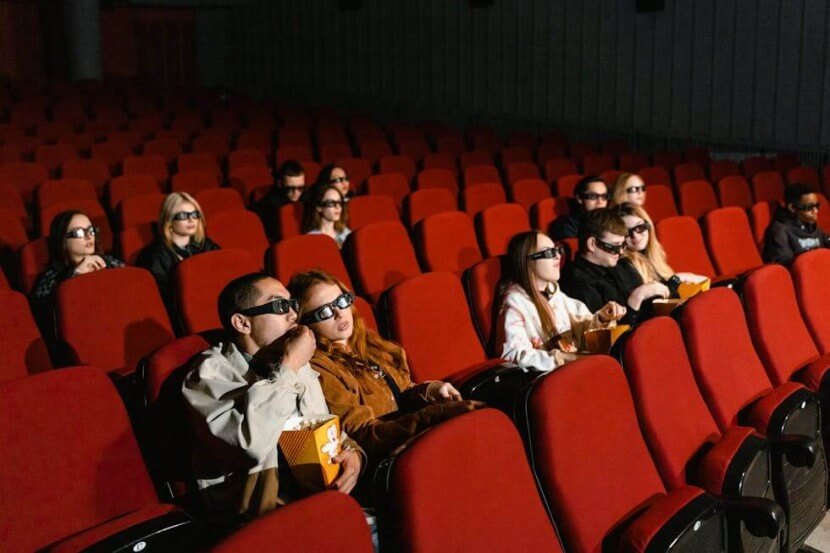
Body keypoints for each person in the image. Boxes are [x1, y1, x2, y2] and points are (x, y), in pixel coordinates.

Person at [182, 273, 364, 523]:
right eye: (280, 306)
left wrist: (352, 453)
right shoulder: (208, 375)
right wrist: (289, 368)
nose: (293, 315)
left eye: (292, 305)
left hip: (319, 503)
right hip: (262, 523)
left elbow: (316, 424)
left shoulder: (289, 358)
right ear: (242, 323)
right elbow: (251, 444)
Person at [287, 269, 481, 463]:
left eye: (341, 301)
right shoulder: (319, 367)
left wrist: (429, 389)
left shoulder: (365, 341)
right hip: (393, 459)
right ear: (306, 324)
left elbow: (399, 393)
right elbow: (363, 434)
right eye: (325, 311)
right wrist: (435, 415)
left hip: (416, 440)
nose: (339, 313)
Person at [496, 231, 626, 372]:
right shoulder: (515, 302)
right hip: (550, 381)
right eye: (549, 253)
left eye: (557, 250)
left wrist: (602, 318)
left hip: (576, 371)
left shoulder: (554, 293)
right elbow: (512, 355)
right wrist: (563, 359)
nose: (558, 256)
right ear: (527, 261)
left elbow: (582, 330)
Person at [560, 209, 670, 325]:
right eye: (615, 246)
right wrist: (636, 298)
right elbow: (605, 336)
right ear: (592, 244)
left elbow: (651, 308)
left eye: (623, 245)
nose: (621, 252)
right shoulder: (578, 282)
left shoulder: (621, 264)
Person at [31, 210, 124, 328]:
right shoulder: (51, 277)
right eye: (79, 232)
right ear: (63, 240)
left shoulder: (109, 261)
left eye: (91, 230)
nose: (89, 236)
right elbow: (46, 316)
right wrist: (75, 276)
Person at [136, 192, 219, 306]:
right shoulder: (154, 255)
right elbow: (160, 297)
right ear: (168, 220)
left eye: (195, 214)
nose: (191, 220)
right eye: (183, 216)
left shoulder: (208, 246)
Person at [613, 203, 709, 288]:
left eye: (640, 227)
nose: (636, 236)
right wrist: (678, 279)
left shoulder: (654, 253)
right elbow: (654, 302)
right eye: (627, 232)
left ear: (648, 226)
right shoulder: (624, 264)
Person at [763, 183, 830, 265]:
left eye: (817, 206)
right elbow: (786, 265)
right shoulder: (779, 231)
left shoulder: (810, 225)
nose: (815, 211)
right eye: (809, 207)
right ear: (792, 208)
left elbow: (827, 241)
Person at [253, 160, 306, 240]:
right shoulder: (269, 204)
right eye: (290, 188)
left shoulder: (306, 198)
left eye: (300, 188)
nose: (296, 193)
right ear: (280, 184)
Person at [549, 175, 609, 240]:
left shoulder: (609, 221)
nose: (600, 202)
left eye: (604, 196)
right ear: (579, 198)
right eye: (593, 196)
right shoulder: (566, 224)